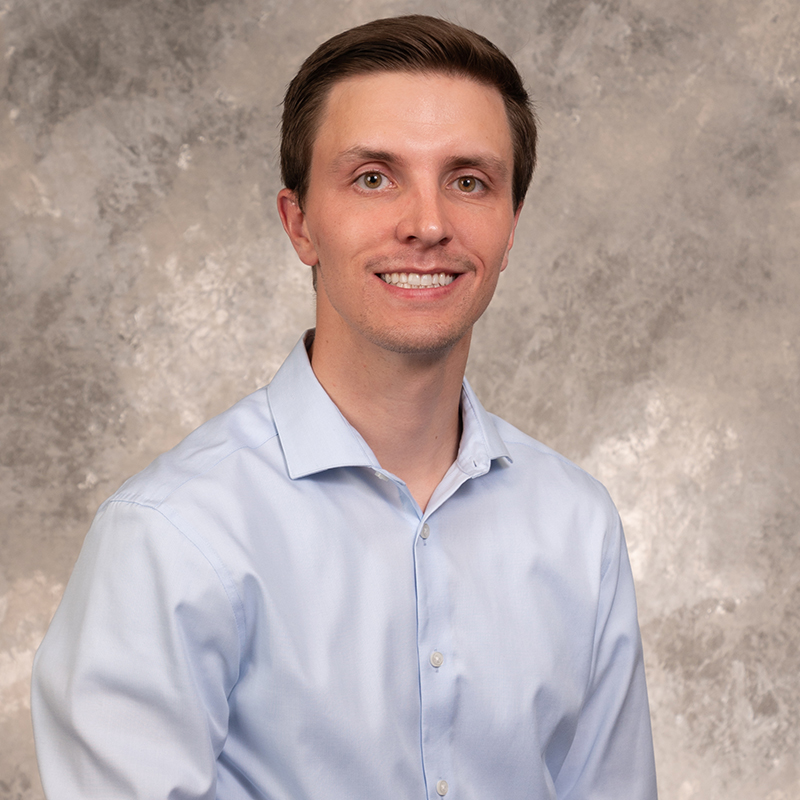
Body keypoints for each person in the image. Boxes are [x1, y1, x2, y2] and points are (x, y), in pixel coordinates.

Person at [31, 14, 658, 800]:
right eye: (373, 177)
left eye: (468, 181)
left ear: (510, 227)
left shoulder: (577, 525)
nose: (428, 225)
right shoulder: (171, 535)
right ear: (300, 225)